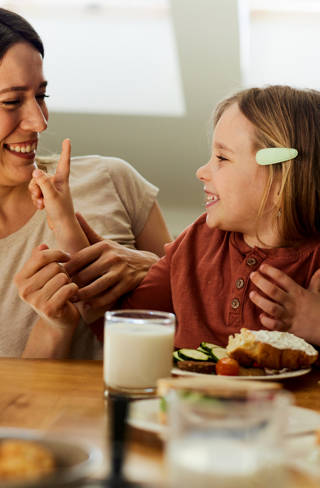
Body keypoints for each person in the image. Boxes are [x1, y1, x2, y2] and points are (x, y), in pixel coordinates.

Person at [16, 85, 320, 355]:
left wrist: (315, 322)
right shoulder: (194, 243)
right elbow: (122, 324)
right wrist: (64, 219)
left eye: (222, 158)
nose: (202, 171)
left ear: (281, 179)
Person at [0, 8, 171, 360]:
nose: (39, 122)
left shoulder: (111, 179)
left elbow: (196, 318)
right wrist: (53, 328)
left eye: (42, 96)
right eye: (11, 101)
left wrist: (151, 268)